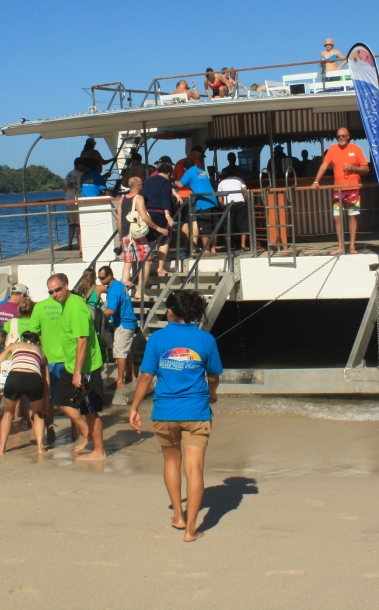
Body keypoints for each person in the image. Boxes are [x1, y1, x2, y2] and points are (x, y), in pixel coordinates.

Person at [129, 289, 222, 542]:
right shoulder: (206, 339)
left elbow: (146, 377)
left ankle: (179, 516)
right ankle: (191, 530)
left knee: (171, 462)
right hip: (196, 412)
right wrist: (212, 392)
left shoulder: (158, 339)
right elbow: (214, 376)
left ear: (170, 312)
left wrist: (134, 407)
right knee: (195, 470)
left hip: (165, 412)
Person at [26, 273, 105, 460]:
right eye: (51, 292)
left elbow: (82, 341)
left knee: (90, 410)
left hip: (85, 366)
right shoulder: (65, 304)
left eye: (57, 290)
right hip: (71, 364)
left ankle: (99, 451)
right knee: (60, 401)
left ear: (66, 286)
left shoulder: (75, 307)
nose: (55, 294)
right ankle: (86, 432)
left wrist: (78, 372)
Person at [0, 322, 49, 457]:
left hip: (14, 377)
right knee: (38, 413)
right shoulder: (41, 352)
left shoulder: (14, 346)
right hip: (33, 379)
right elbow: (46, 382)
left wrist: (8, 375)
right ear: (38, 343)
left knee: (8, 413)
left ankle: (2, 449)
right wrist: (46, 406)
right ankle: (40, 448)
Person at [311, 127, 370, 255]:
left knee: (352, 216)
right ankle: (340, 246)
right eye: (338, 136)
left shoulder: (356, 149)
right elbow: (324, 165)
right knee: (336, 217)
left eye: (343, 135)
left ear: (348, 136)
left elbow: (366, 169)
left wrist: (353, 168)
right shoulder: (332, 149)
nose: (341, 138)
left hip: (353, 188)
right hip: (338, 189)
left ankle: (352, 246)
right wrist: (316, 181)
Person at [117, 176, 163, 298]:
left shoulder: (122, 199)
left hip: (125, 235)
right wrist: (158, 228)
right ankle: (139, 292)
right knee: (147, 260)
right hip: (136, 235)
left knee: (127, 264)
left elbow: (119, 219)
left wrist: (121, 235)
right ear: (138, 186)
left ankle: (122, 294)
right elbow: (144, 217)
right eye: (141, 184)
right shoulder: (138, 198)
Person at [98, 266, 138, 390]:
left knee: (120, 352)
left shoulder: (114, 290)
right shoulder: (119, 285)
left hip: (123, 324)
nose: (100, 280)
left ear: (109, 276)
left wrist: (97, 316)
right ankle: (132, 376)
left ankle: (120, 381)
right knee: (127, 351)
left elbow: (111, 310)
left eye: (102, 278)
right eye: (99, 278)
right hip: (129, 323)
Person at [142, 160, 180, 280]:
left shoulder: (147, 181)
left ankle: (147, 268)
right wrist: (168, 215)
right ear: (169, 174)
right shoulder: (166, 182)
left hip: (146, 212)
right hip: (159, 212)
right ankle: (160, 267)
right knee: (164, 239)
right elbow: (165, 199)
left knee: (149, 239)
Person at [178, 157, 217, 253]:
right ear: (195, 164)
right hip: (213, 199)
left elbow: (180, 185)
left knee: (204, 228)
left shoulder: (189, 172)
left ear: (184, 168)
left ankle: (206, 250)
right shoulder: (202, 171)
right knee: (214, 227)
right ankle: (213, 249)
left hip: (203, 202)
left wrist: (172, 179)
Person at [216, 166, 249, 251]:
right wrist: (244, 201)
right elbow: (245, 191)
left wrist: (223, 207)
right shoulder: (239, 179)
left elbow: (220, 200)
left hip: (228, 204)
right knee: (243, 224)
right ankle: (243, 246)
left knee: (227, 225)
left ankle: (228, 246)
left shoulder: (221, 183)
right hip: (240, 202)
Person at [63, 158, 85, 250]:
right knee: (79, 224)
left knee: (72, 224)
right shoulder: (82, 174)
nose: (83, 166)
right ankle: (80, 244)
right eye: (82, 164)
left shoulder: (68, 174)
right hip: (77, 200)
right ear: (77, 165)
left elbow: (64, 187)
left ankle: (69, 244)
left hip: (69, 201)